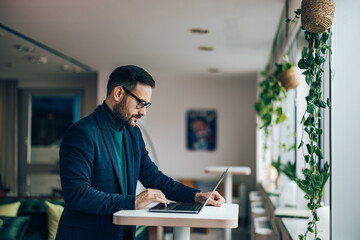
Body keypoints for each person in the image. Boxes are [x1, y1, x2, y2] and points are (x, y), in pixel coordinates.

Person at [55, 65, 225, 240]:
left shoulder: (133, 133)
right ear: (118, 93)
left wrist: (196, 196)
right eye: (140, 103)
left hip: (122, 233)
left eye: (146, 105)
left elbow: (154, 178)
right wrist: (133, 202)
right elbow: (77, 193)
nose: (143, 111)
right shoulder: (81, 132)